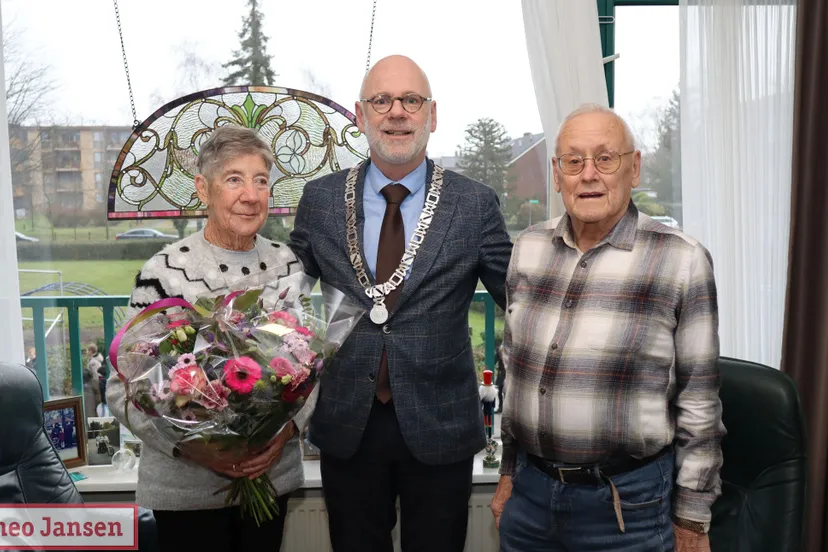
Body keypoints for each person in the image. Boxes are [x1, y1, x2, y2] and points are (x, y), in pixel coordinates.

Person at [289, 55, 513, 552]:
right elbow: (282, 299)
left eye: (411, 100)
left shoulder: (473, 203)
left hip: (442, 425)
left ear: (432, 115)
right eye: (382, 100)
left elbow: (521, 301)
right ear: (359, 114)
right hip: (349, 425)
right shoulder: (320, 199)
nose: (396, 112)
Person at [492, 104, 725, 552]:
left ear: (633, 168)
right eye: (573, 161)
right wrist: (507, 474)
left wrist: (692, 520)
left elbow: (700, 402)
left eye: (605, 158)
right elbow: (513, 371)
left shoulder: (681, 260)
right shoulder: (528, 249)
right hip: (530, 500)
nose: (589, 174)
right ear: (557, 175)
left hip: (627, 508)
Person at [106, 125, 312, 552]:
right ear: (203, 188)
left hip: (268, 478)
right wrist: (194, 449)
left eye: (261, 181)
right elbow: (124, 386)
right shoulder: (163, 272)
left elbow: (310, 367)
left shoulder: (288, 265)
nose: (251, 195)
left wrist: (286, 430)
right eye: (233, 179)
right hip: (186, 492)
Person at [494, 343, 506, 413]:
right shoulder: (499, 351)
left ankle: (506, 409)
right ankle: (500, 407)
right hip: (501, 373)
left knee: (507, 392)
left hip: (508, 374)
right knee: (500, 390)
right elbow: (494, 361)